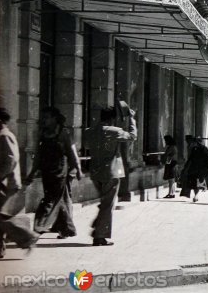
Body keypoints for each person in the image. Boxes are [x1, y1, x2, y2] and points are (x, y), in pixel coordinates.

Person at [25, 107, 82, 238]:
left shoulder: (63, 133)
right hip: (46, 172)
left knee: (50, 200)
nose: (44, 120)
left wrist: (78, 169)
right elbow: (38, 155)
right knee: (58, 200)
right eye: (43, 117)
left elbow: (73, 153)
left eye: (47, 117)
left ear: (54, 119)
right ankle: (68, 229)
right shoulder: (42, 133)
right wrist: (32, 173)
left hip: (60, 172)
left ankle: (38, 226)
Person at [85, 104, 137, 246]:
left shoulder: (90, 131)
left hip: (95, 171)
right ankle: (100, 236)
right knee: (108, 204)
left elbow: (86, 146)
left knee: (104, 202)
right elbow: (133, 136)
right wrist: (132, 120)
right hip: (111, 171)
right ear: (113, 119)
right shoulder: (115, 131)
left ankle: (98, 226)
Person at [0, 108, 39, 258]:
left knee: (2, 217)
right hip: (4, 182)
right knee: (1, 216)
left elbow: (10, 160)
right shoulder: (2, 135)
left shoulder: (4, 136)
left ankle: (28, 237)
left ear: (0, 121)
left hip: (6, 183)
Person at [180, 136, 208, 202]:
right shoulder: (194, 149)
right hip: (194, 168)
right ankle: (196, 195)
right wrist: (186, 167)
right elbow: (190, 159)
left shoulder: (204, 149)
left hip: (200, 169)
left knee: (197, 183)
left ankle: (196, 195)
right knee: (194, 183)